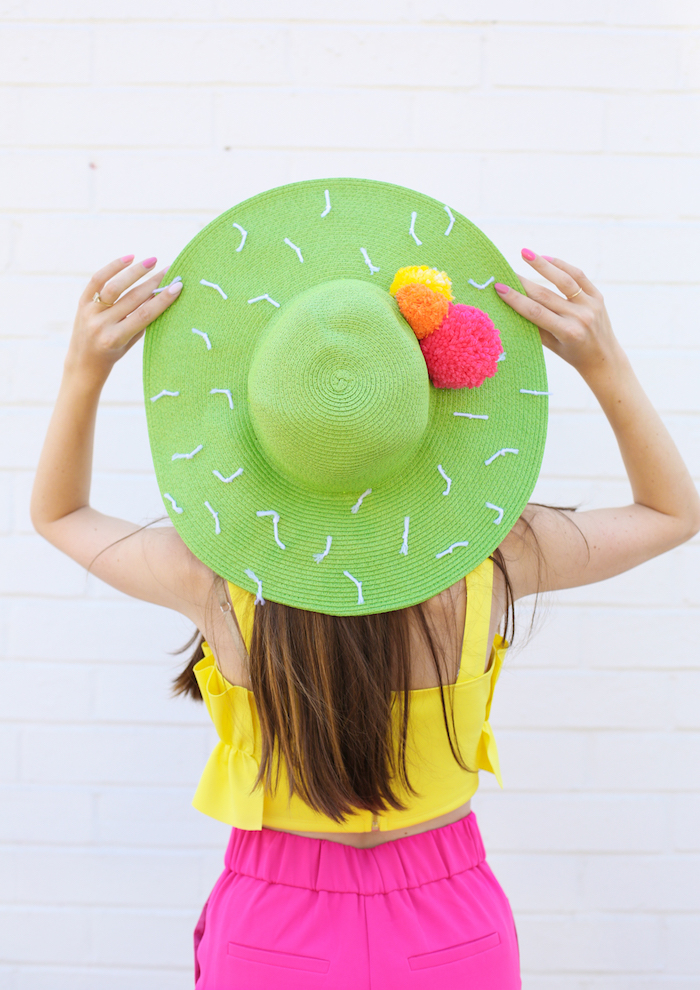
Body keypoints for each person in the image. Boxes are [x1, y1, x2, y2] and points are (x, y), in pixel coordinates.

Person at [31, 180, 700, 989]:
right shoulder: (493, 554)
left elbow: (59, 514)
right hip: (450, 921)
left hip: (272, 925)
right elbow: (672, 512)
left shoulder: (212, 576)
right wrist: (605, 361)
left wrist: (82, 369)